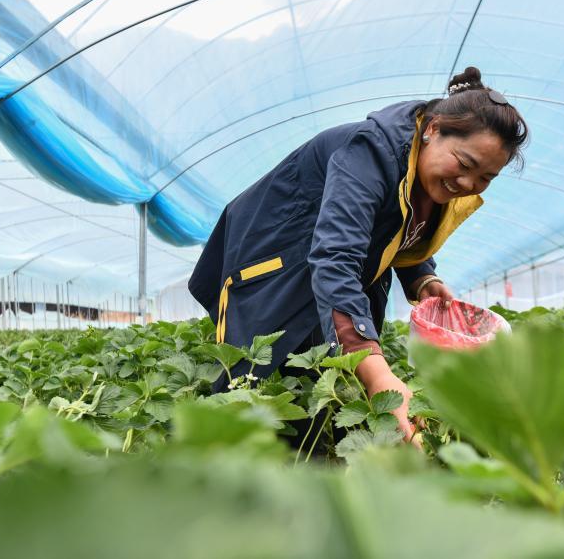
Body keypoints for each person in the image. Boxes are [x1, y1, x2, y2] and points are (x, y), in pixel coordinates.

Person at [188, 66, 529, 440]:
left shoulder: (425, 163)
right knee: (251, 371)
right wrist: (380, 376)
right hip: (273, 254)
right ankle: (207, 449)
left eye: (485, 177)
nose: (468, 183)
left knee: (324, 379)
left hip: (330, 261)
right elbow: (336, 257)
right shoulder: (369, 153)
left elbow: (400, 221)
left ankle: (310, 446)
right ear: (432, 129)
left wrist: (421, 276)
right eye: (464, 164)